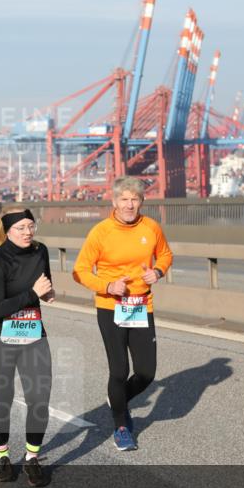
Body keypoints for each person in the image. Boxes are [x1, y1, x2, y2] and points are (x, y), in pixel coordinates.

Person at [73, 176, 173, 452]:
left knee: (146, 373)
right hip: (110, 307)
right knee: (119, 370)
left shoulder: (151, 227)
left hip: (141, 306)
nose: (129, 205)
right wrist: (107, 285)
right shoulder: (101, 232)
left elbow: (165, 255)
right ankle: (120, 426)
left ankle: (117, 399)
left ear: (142, 202)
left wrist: (158, 271)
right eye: (124, 199)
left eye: (135, 199)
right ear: (114, 202)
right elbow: (79, 270)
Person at [0, 208, 55, 487]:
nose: (27, 232)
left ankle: (32, 459)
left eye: (30, 226)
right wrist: (32, 294)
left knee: (39, 400)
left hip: (33, 334)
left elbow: (44, 286)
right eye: (21, 228)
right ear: (7, 231)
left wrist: (47, 294)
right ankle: (2, 456)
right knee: (2, 400)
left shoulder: (40, 251)